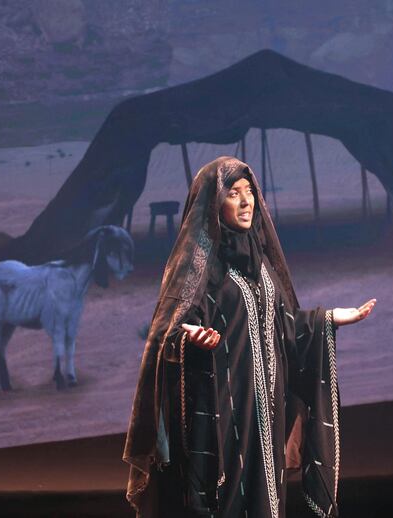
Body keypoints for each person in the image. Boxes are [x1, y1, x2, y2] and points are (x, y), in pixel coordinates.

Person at [123, 156, 376, 517]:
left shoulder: (259, 261)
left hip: (266, 410)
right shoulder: (198, 266)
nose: (245, 202)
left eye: (249, 192)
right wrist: (186, 337)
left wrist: (329, 318)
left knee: (266, 497)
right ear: (214, 204)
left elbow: (279, 323)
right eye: (233, 194)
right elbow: (167, 333)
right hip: (223, 411)